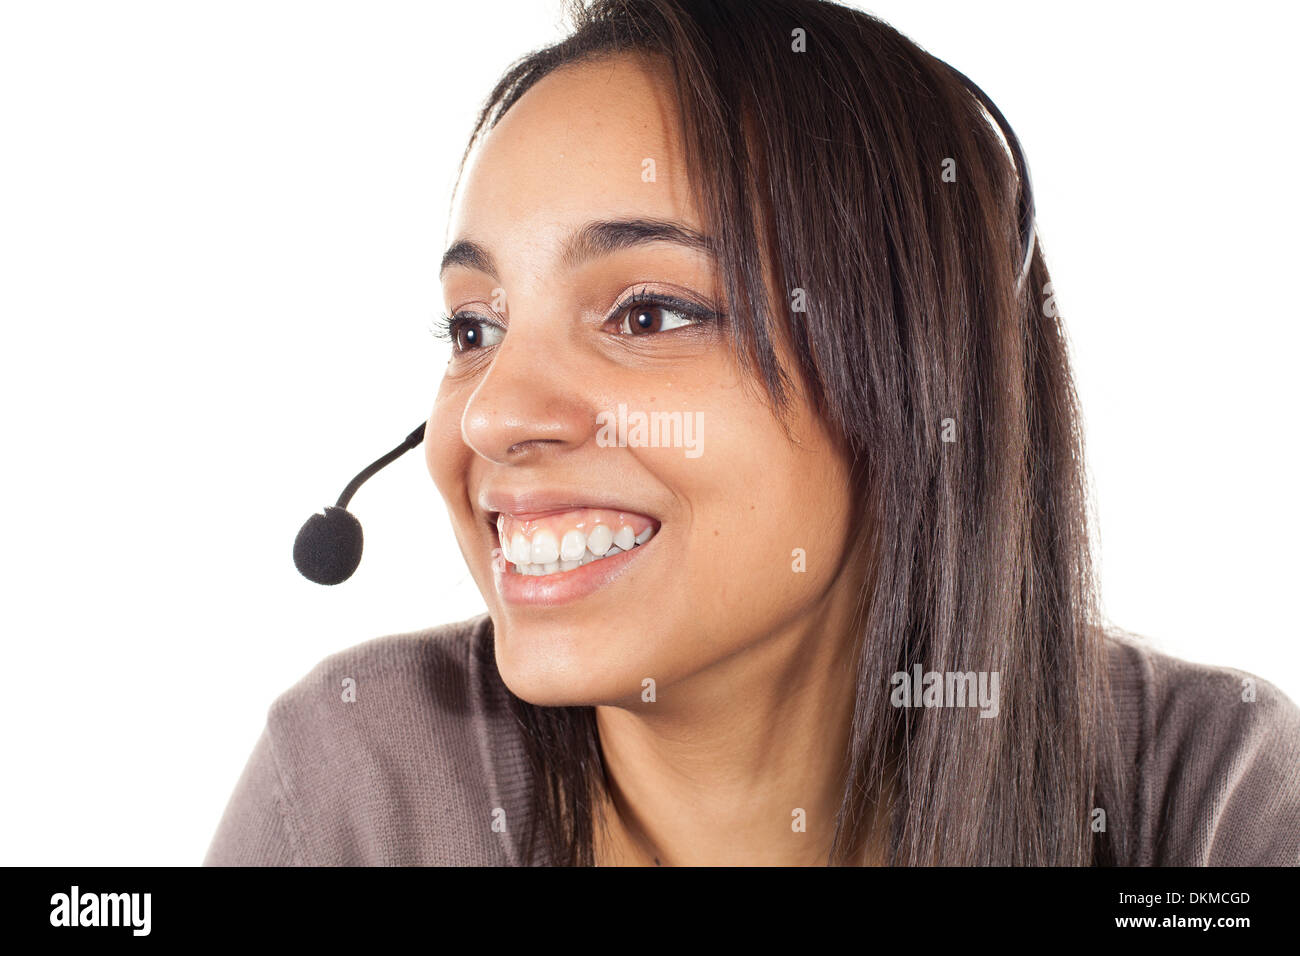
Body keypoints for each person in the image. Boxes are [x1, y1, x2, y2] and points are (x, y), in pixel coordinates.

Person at [205, 0, 1300, 866]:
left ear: (918, 367)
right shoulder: (360, 780)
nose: (492, 414)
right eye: (472, 328)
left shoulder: (1210, 799)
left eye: (648, 314)